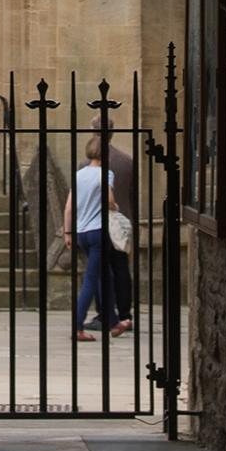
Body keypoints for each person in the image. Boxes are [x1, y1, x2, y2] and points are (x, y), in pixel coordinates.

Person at [65, 134, 133, 342]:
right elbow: (109, 199)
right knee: (91, 279)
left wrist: (68, 233)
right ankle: (77, 327)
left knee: (105, 276)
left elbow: (69, 207)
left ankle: (112, 323)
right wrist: (115, 208)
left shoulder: (79, 175)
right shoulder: (105, 174)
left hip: (81, 232)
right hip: (98, 232)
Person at [85, 116, 137, 331]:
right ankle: (125, 314)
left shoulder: (86, 164)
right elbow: (133, 196)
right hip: (121, 224)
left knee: (100, 271)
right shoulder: (127, 161)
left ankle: (104, 314)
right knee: (122, 269)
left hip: (97, 223)